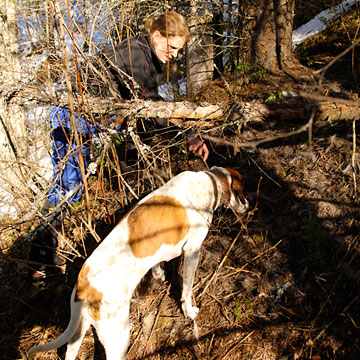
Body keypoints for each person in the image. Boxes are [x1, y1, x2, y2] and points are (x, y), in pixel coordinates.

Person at [28, 11, 209, 280]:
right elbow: (148, 106)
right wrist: (187, 135)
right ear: (157, 35)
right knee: (67, 189)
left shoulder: (145, 56)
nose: (174, 55)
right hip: (72, 121)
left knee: (70, 189)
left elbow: (144, 108)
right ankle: (38, 262)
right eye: (172, 47)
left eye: (179, 50)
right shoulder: (136, 55)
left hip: (85, 122)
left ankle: (41, 257)